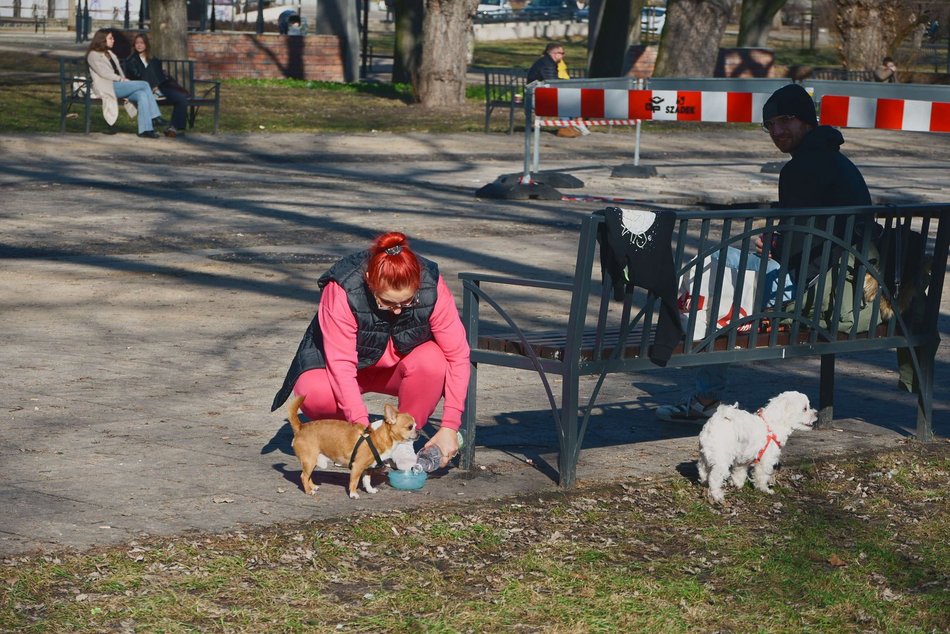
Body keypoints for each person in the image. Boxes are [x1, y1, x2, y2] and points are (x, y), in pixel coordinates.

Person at [656, 83, 872, 423]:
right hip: (843, 280)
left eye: (785, 120)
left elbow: (795, 247)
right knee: (722, 277)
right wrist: (778, 244)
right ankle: (703, 387)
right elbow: (814, 235)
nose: (777, 131)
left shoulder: (800, 170)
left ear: (806, 121)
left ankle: (702, 389)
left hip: (810, 289)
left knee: (715, 271)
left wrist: (772, 244)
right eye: (770, 124)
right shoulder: (837, 162)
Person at [271, 231, 471, 468]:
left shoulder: (432, 285)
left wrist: (449, 426)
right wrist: (362, 430)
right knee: (312, 389)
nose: (397, 310)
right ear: (369, 280)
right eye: (386, 302)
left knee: (433, 360)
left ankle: (402, 443)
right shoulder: (342, 289)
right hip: (349, 370)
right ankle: (341, 441)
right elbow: (341, 366)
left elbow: (458, 355)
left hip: (400, 367)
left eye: (407, 302)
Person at [86, 29, 165, 138]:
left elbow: (119, 72)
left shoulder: (110, 53)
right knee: (145, 84)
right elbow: (104, 73)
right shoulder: (93, 55)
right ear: (102, 40)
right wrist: (121, 79)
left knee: (142, 94)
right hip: (107, 87)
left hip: (119, 86)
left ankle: (146, 130)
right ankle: (155, 116)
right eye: (110, 38)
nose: (113, 40)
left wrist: (122, 79)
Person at [123, 34, 188, 138]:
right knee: (149, 69)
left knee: (181, 98)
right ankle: (153, 120)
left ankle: (173, 128)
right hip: (142, 89)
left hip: (160, 88)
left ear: (146, 45)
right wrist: (152, 85)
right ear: (134, 45)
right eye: (137, 43)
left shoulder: (154, 60)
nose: (139, 45)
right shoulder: (130, 60)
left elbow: (160, 76)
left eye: (142, 43)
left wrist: (157, 85)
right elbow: (137, 77)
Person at [527, 42, 590, 138]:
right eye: (562, 53)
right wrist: (570, 83)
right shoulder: (547, 64)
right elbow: (552, 82)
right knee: (564, 100)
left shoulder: (548, 62)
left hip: (539, 93)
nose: (563, 55)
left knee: (569, 98)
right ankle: (565, 127)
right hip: (536, 97)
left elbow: (553, 81)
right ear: (555, 54)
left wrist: (571, 82)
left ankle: (569, 125)